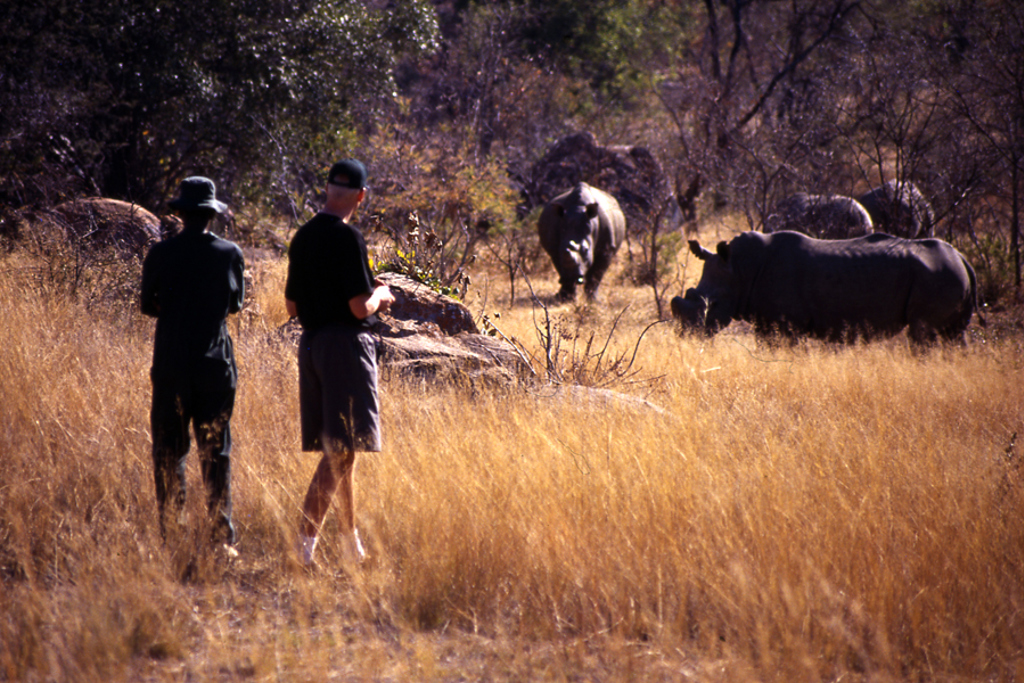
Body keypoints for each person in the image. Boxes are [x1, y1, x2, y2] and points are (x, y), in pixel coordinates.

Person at [284, 159, 394, 569]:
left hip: (311, 346)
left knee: (345, 452)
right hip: (345, 348)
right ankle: (302, 548)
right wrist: (382, 296)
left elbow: (292, 306)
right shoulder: (349, 238)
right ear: (361, 196)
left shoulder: (303, 237)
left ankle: (351, 544)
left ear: (327, 189)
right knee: (341, 453)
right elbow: (358, 305)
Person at [141, 176, 245, 554]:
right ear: (211, 215)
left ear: (181, 212)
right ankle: (221, 539)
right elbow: (235, 306)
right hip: (215, 365)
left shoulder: (161, 253)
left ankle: (173, 537)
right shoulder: (229, 253)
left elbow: (147, 306)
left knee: (169, 453)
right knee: (215, 451)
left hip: (170, 364)